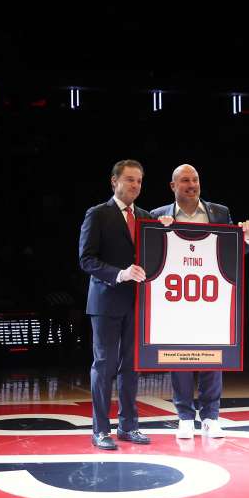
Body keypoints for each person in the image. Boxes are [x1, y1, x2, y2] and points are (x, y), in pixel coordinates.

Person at [149, 164, 249, 439]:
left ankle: (211, 417)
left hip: (211, 299)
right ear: (173, 186)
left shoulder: (219, 212)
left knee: (213, 357)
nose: (191, 184)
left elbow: (232, 254)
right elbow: (150, 257)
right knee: (179, 359)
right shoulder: (158, 215)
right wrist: (159, 234)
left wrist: (248, 240)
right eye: (184, 180)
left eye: (195, 179)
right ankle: (184, 417)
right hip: (175, 301)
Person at [79, 160, 154, 450]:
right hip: (106, 301)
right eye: (130, 180)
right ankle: (100, 430)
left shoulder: (146, 217)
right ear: (114, 182)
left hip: (137, 303)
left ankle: (128, 426)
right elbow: (87, 260)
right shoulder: (98, 214)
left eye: (139, 181)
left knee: (131, 367)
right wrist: (119, 274)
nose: (135, 185)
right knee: (104, 365)